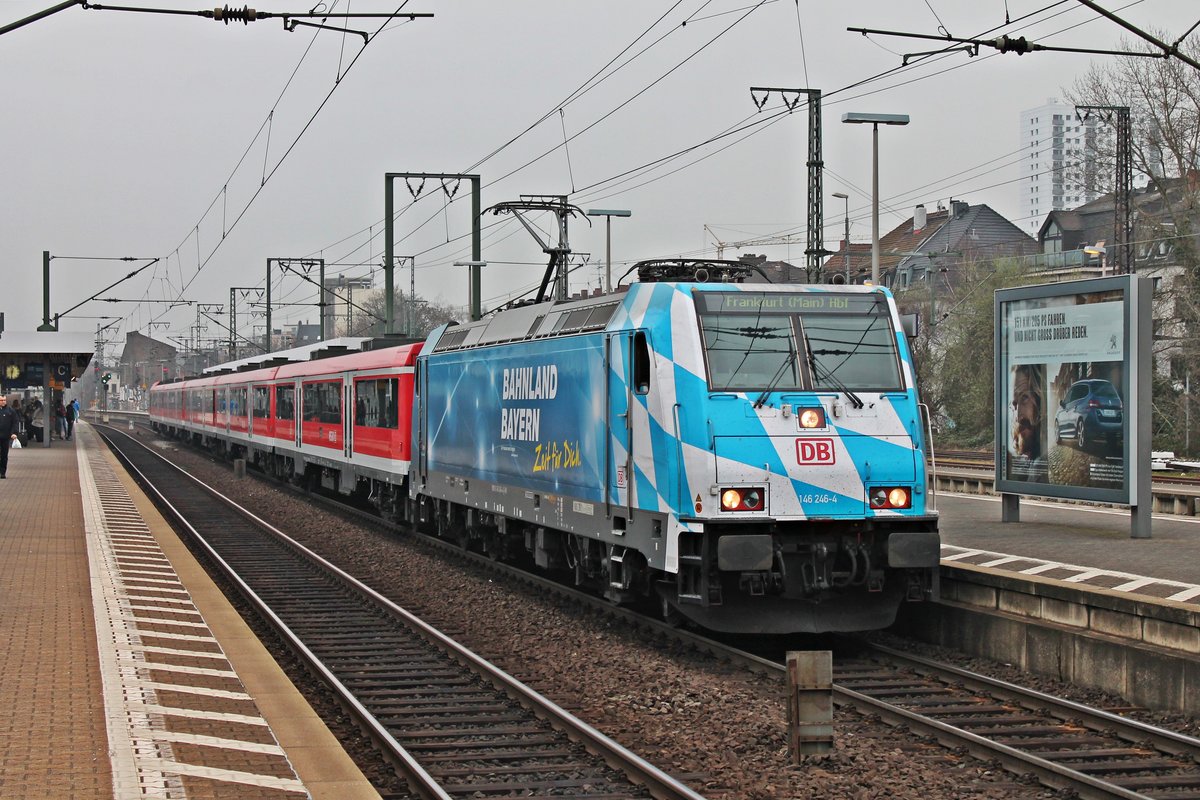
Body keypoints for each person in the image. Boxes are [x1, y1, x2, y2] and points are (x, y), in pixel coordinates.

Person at [0, 395, 20, 478]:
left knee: (4, 455)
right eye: (1, 400)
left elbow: (15, 422)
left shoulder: (10, 411)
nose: (3, 402)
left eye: (4, 400)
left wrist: (14, 433)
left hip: (5, 436)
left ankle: (2, 472)